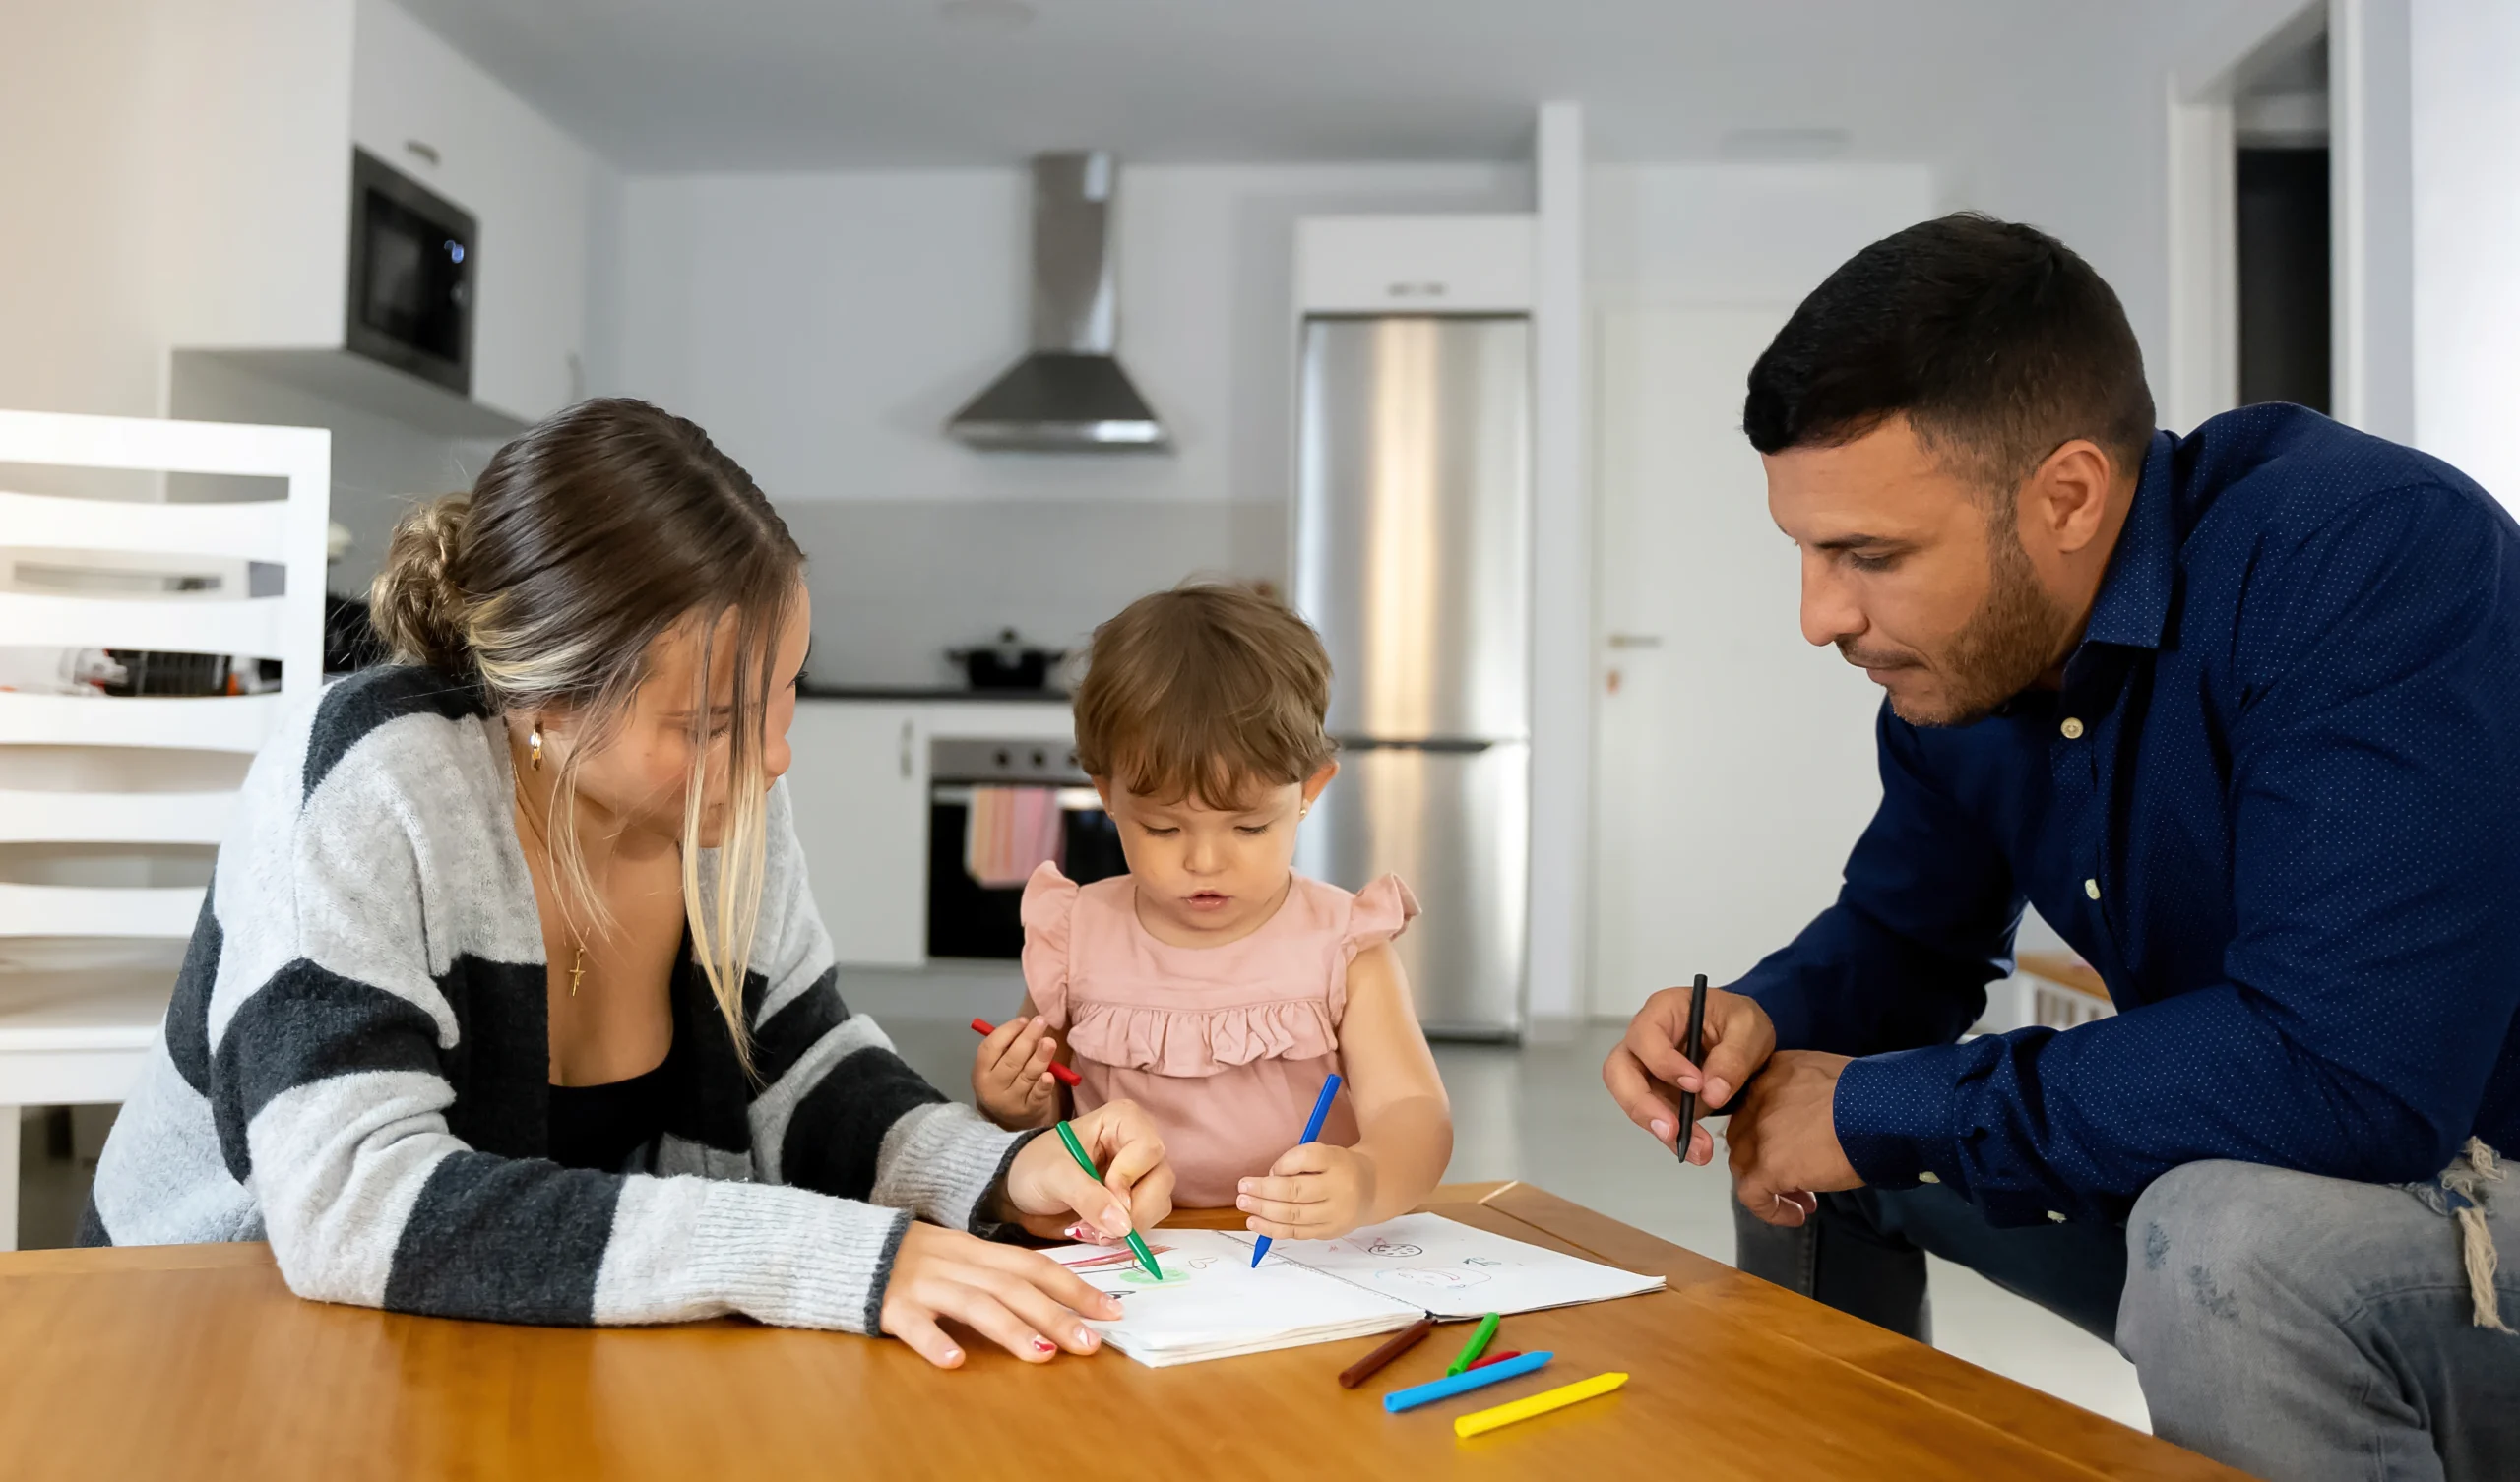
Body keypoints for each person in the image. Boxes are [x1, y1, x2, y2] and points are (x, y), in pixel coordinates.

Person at [1601, 215, 2520, 1480]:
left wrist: (1875, 1105)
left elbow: (2348, 1076)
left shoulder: (2364, 557)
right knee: (1811, 1127)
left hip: (2470, 1179)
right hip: (2289, 1143)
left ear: (2069, 495)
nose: (1820, 617)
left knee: (2223, 1238)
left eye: (1870, 556)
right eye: (1808, 553)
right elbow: (1903, 937)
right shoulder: (1966, 666)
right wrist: (1756, 1020)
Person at [84, 398, 1174, 1370]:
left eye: (786, 691)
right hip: (213, 1345)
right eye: (709, 724)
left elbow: (800, 1067)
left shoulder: (724, 798)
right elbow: (352, 1205)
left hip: (510, 1341)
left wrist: (998, 1173)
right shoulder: (371, 783)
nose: (772, 758)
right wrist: (830, 1253)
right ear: (547, 705)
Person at [969, 583, 1454, 1242]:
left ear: (1310, 791)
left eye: (1249, 828)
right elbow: (1047, 1115)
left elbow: (1415, 1112)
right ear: (1107, 797)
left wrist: (1368, 1180)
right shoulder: (1075, 934)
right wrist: (1008, 1102)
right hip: (1133, 1250)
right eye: (1164, 830)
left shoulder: (1343, 943)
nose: (1204, 861)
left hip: (1302, 1256)